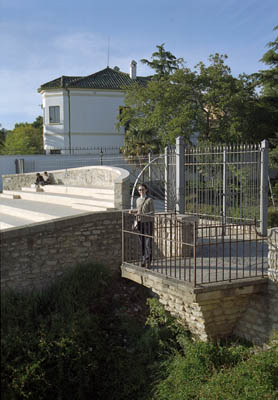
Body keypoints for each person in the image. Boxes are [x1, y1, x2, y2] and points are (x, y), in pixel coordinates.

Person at [130, 183, 154, 269]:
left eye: (143, 189)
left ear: (146, 190)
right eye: (139, 190)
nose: (141, 191)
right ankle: (143, 260)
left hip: (148, 223)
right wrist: (133, 211)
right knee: (142, 242)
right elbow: (139, 210)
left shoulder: (149, 200)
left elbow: (152, 213)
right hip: (140, 222)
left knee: (148, 243)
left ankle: (148, 261)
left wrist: (143, 214)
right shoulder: (137, 200)